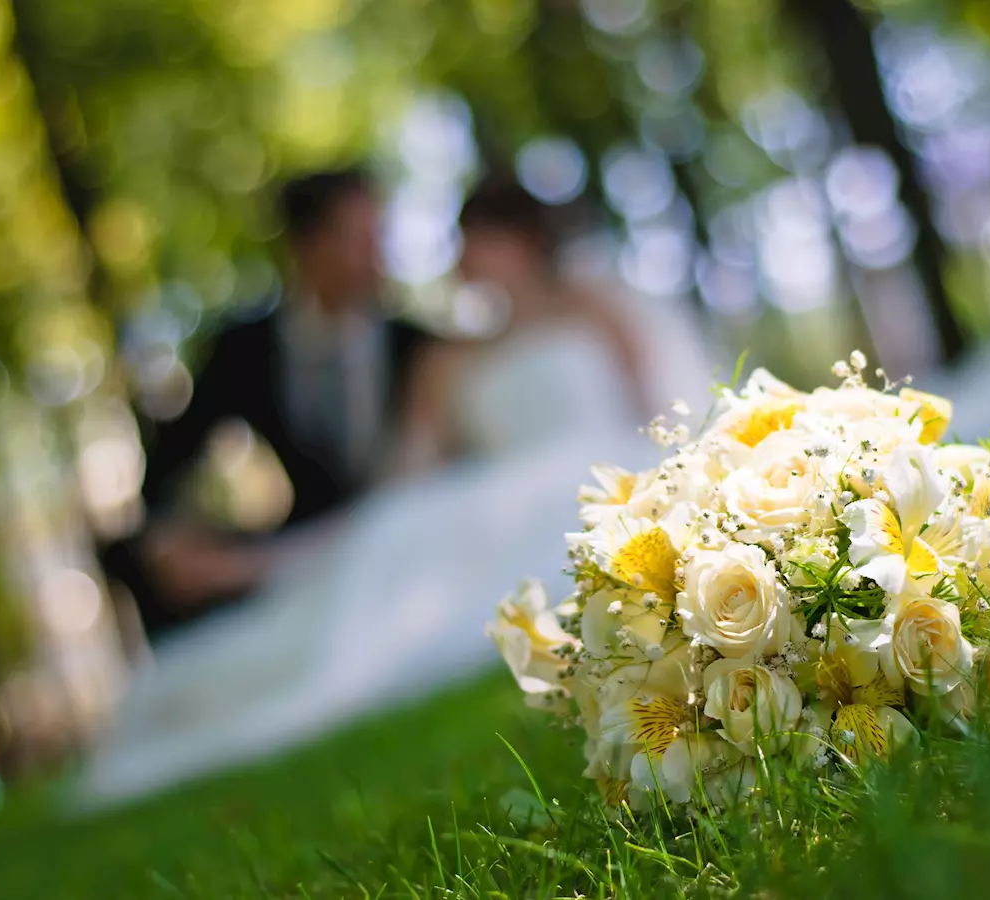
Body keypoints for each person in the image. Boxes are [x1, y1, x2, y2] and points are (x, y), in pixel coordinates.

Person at [77, 177, 719, 805]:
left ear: (523, 242)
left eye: (476, 237)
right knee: (391, 556)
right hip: (451, 506)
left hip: (594, 479)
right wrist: (237, 558)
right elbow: (397, 493)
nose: (392, 254)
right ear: (307, 247)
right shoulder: (439, 360)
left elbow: (667, 411)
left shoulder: (582, 311)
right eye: (360, 238)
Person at [102, 168, 432, 643]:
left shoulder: (415, 344)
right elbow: (177, 452)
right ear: (309, 247)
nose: (380, 257)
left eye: (379, 237)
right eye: (361, 240)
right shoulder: (244, 349)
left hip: (403, 528)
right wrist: (168, 534)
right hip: (306, 539)